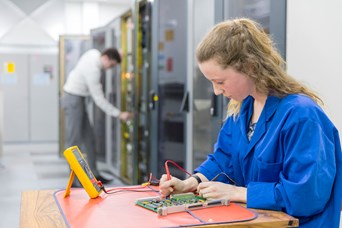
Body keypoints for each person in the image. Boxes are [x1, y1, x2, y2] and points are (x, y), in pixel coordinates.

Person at [159, 18, 341, 227]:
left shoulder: (301, 115)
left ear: (250, 67)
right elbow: (223, 161)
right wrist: (191, 183)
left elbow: (306, 195)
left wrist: (238, 192)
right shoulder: (242, 110)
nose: (217, 91)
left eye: (220, 82)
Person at [61, 47, 131, 184]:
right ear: (106, 58)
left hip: (79, 98)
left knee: (90, 139)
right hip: (73, 99)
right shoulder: (93, 70)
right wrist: (119, 114)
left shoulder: (93, 52)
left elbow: (109, 55)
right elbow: (99, 100)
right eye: (111, 65)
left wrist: (118, 52)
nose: (109, 68)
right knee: (73, 142)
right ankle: (74, 181)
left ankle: (95, 176)